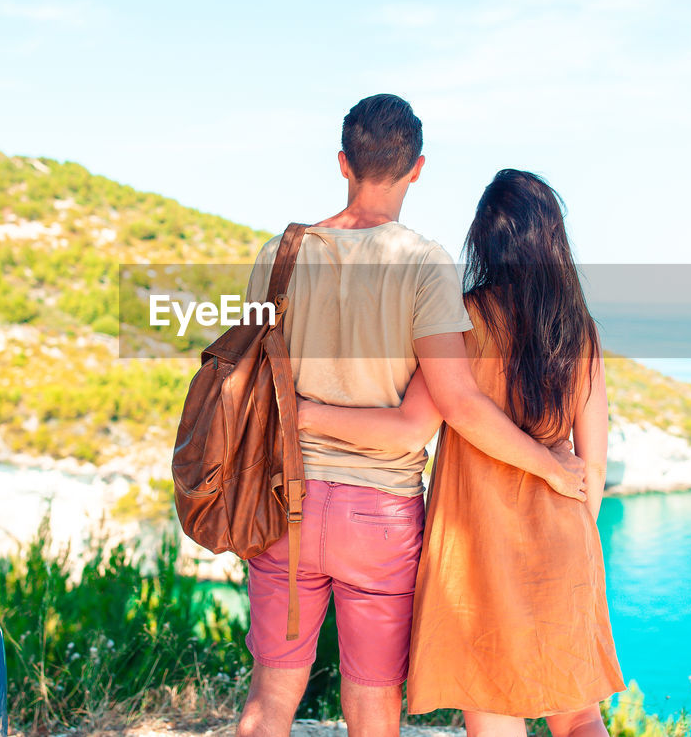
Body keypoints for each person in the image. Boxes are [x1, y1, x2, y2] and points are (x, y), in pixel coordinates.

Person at [237, 99, 588, 737]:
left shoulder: (278, 255)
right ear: (417, 169)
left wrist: (302, 416)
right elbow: (425, 420)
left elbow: (258, 383)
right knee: (373, 709)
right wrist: (551, 467)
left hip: (285, 498)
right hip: (379, 514)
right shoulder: (426, 265)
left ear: (343, 161)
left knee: (268, 704)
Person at [299, 169, 626, 737]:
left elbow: (422, 420)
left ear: (484, 239)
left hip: (478, 552)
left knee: (492, 710)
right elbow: (592, 463)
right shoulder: (582, 333)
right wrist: (564, 538)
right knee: (579, 718)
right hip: (565, 541)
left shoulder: (464, 320)